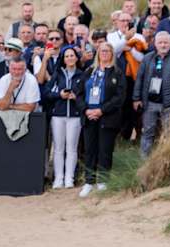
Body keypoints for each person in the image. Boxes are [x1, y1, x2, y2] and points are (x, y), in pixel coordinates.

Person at [77, 42, 127, 197]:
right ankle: (89, 182)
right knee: (90, 150)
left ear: (112, 53)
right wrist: (86, 110)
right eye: (101, 51)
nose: (104, 53)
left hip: (107, 117)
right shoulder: (89, 71)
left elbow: (120, 97)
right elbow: (78, 94)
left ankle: (103, 181)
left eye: (107, 51)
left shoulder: (117, 73)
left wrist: (101, 110)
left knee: (105, 150)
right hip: (89, 116)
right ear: (98, 53)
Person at [45, 47, 86, 189]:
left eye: (72, 55)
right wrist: (59, 95)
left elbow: (85, 95)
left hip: (74, 116)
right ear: (63, 59)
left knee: (72, 148)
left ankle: (69, 178)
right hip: (58, 115)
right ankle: (58, 178)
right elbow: (47, 93)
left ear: (76, 58)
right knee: (58, 148)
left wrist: (76, 98)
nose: (69, 58)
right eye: (67, 56)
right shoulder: (57, 74)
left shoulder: (82, 75)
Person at [134, 31, 170, 155]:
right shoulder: (148, 58)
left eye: (166, 42)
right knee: (148, 133)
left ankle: (164, 164)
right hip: (149, 103)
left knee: (168, 134)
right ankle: (144, 163)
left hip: (168, 104)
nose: (163, 45)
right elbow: (140, 78)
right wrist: (136, 98)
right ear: (155, 44)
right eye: (160, 42)